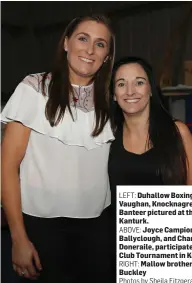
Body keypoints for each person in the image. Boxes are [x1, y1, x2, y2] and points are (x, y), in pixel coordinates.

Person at [1, 14, 115, 283]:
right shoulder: (34, 88)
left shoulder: (111, 100)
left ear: (107, 56)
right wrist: (18, 238)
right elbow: (6, 166)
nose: (89, 50)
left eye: (100, 44)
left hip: (98, 228)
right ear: (66, 43)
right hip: (42, 228)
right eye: (82, 38)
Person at [108, 56, 192, 279]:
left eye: (139, 82)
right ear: (113, 95)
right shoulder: (108, 139)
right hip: (120, 252)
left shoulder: (178, 133)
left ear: (150, 89)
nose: (130, 91)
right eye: (121, 84)